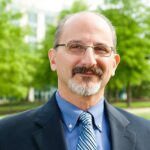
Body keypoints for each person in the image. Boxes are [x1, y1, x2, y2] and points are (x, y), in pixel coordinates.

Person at [0, 11, 150, 150]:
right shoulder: (6, 135)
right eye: (76, 47)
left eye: (101, 49)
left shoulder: (146, 134)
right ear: (53, 60)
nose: (89, 61)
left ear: (114, 64)